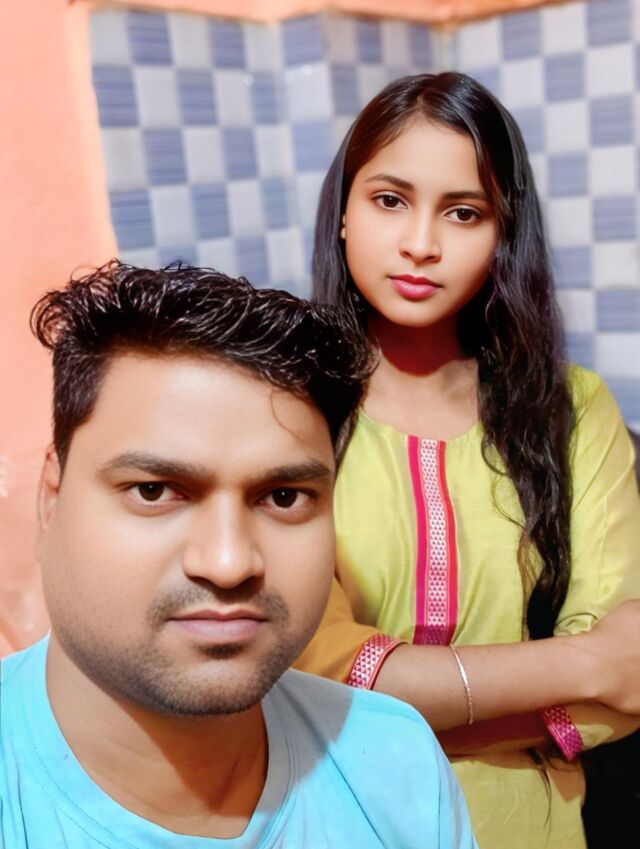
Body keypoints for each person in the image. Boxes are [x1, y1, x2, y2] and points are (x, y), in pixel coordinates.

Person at [0, 262, 477, 848]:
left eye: (283, 497)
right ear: (51, 499)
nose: (229, 563)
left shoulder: (396, 763)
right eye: (153, 491)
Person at [294, 72, 640, 848]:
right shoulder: (287, 409)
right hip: (339, 818)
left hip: (532, 825)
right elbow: (310, 668)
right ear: (344, 213)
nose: (421, 242)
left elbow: (631, 672)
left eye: (463, 212)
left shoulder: (573, 408)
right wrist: (588, 663)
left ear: (503, 234)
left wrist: (392, 700)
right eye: (390, 200)